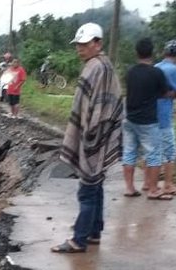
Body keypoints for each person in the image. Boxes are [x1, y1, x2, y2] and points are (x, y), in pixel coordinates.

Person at [51, 22, 123, 253]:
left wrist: (90, 138)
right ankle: (94, 232)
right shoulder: (104, 65)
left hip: (94, 137)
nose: (79, 49)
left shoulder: (95, 67)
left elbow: (99, 110)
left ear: (97, 43)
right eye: (78, 45)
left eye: (84, 44)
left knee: (87, 189)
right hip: (100, 135)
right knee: (97, 185)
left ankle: (78, 240)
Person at [122, 38, 171, 200]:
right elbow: (165, 93)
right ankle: (153, 190)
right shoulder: (157, 73)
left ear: (137, 53)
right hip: (148, 121)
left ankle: (129, 188)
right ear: (153, 53)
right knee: (154, 155)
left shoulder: (130, 71)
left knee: (129, 153)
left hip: (129, 119)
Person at [153, 40, 176, 196]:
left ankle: (150, 184)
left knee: (153, 152)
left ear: (164, 52)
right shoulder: (173, 69)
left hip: (151, 115)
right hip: (165, 116)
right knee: (170, 151)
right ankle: (168, 184)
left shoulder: (156, 67)